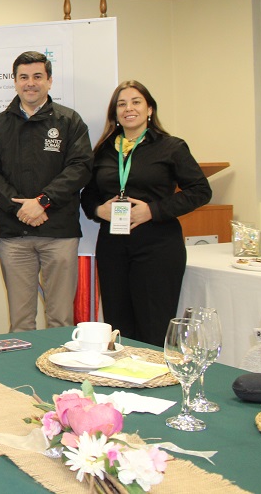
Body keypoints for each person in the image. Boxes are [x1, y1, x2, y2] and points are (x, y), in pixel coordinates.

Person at [81, 80, 211, 345]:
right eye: (122, 104)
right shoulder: (104, 150)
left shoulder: (171, 147)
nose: (129, 108)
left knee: (153, 328)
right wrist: (98, 209)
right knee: (119, 329)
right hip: (113, 248)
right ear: (114, 113)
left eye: (136, 102)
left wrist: (153, 210)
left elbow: (200, 190)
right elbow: (88, 195)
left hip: (157, 247)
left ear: (149, 109)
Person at [0, 51, 92, 332]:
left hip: (59, 235)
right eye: (24, 77)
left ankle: (57, 373)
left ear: (49, 81)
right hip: (15, 236)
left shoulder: (69, 121)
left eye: (38, 77)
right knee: (20, 323)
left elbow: (80, 168)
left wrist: (43, 201)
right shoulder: (0, 123)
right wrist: (19, 208)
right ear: (15, 82)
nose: (31, 83)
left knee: (60, 321)